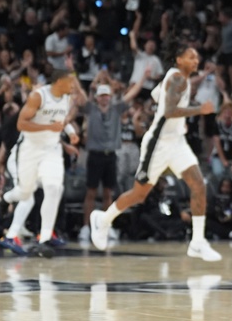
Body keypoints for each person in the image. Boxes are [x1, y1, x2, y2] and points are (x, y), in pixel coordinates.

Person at [89, 45, 221, 262]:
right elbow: (169, 111)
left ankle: (198, 242)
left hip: (177, 142)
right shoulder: (177, 80)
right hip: (158, 144)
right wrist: (200, 110)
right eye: (191, 57)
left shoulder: (177, 78)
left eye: (197, 57)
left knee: (199, 184)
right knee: (139, 194)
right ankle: (103, 220)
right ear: (179, 59)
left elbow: (155, 94)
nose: (196, 60)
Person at [0, 68, 83, 257]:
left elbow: (60, 120)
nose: (73, 86)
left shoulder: (66, 99)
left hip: (51, 151)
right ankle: (7, 200)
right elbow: (21, 124)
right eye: (70, 82)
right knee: (26, 194)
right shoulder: (38, 96)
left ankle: (44, 238)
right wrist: (48, 127)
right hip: (28, 151)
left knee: (54, 188)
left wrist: (71, 133)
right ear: (59, 81)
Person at [78, 72, 147, 245]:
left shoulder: (116, 109)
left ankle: (105, 226)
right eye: (101, 96)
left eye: (106, 95)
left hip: (111, 156)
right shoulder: (91, 109)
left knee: (108, 193)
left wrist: (143, 78)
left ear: (110, 97)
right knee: (91, 192)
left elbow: (132, 94)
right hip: (95, 155)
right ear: (97, 97)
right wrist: (72, 72)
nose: (104, 98)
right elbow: (80, 93)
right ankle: (86, 227)